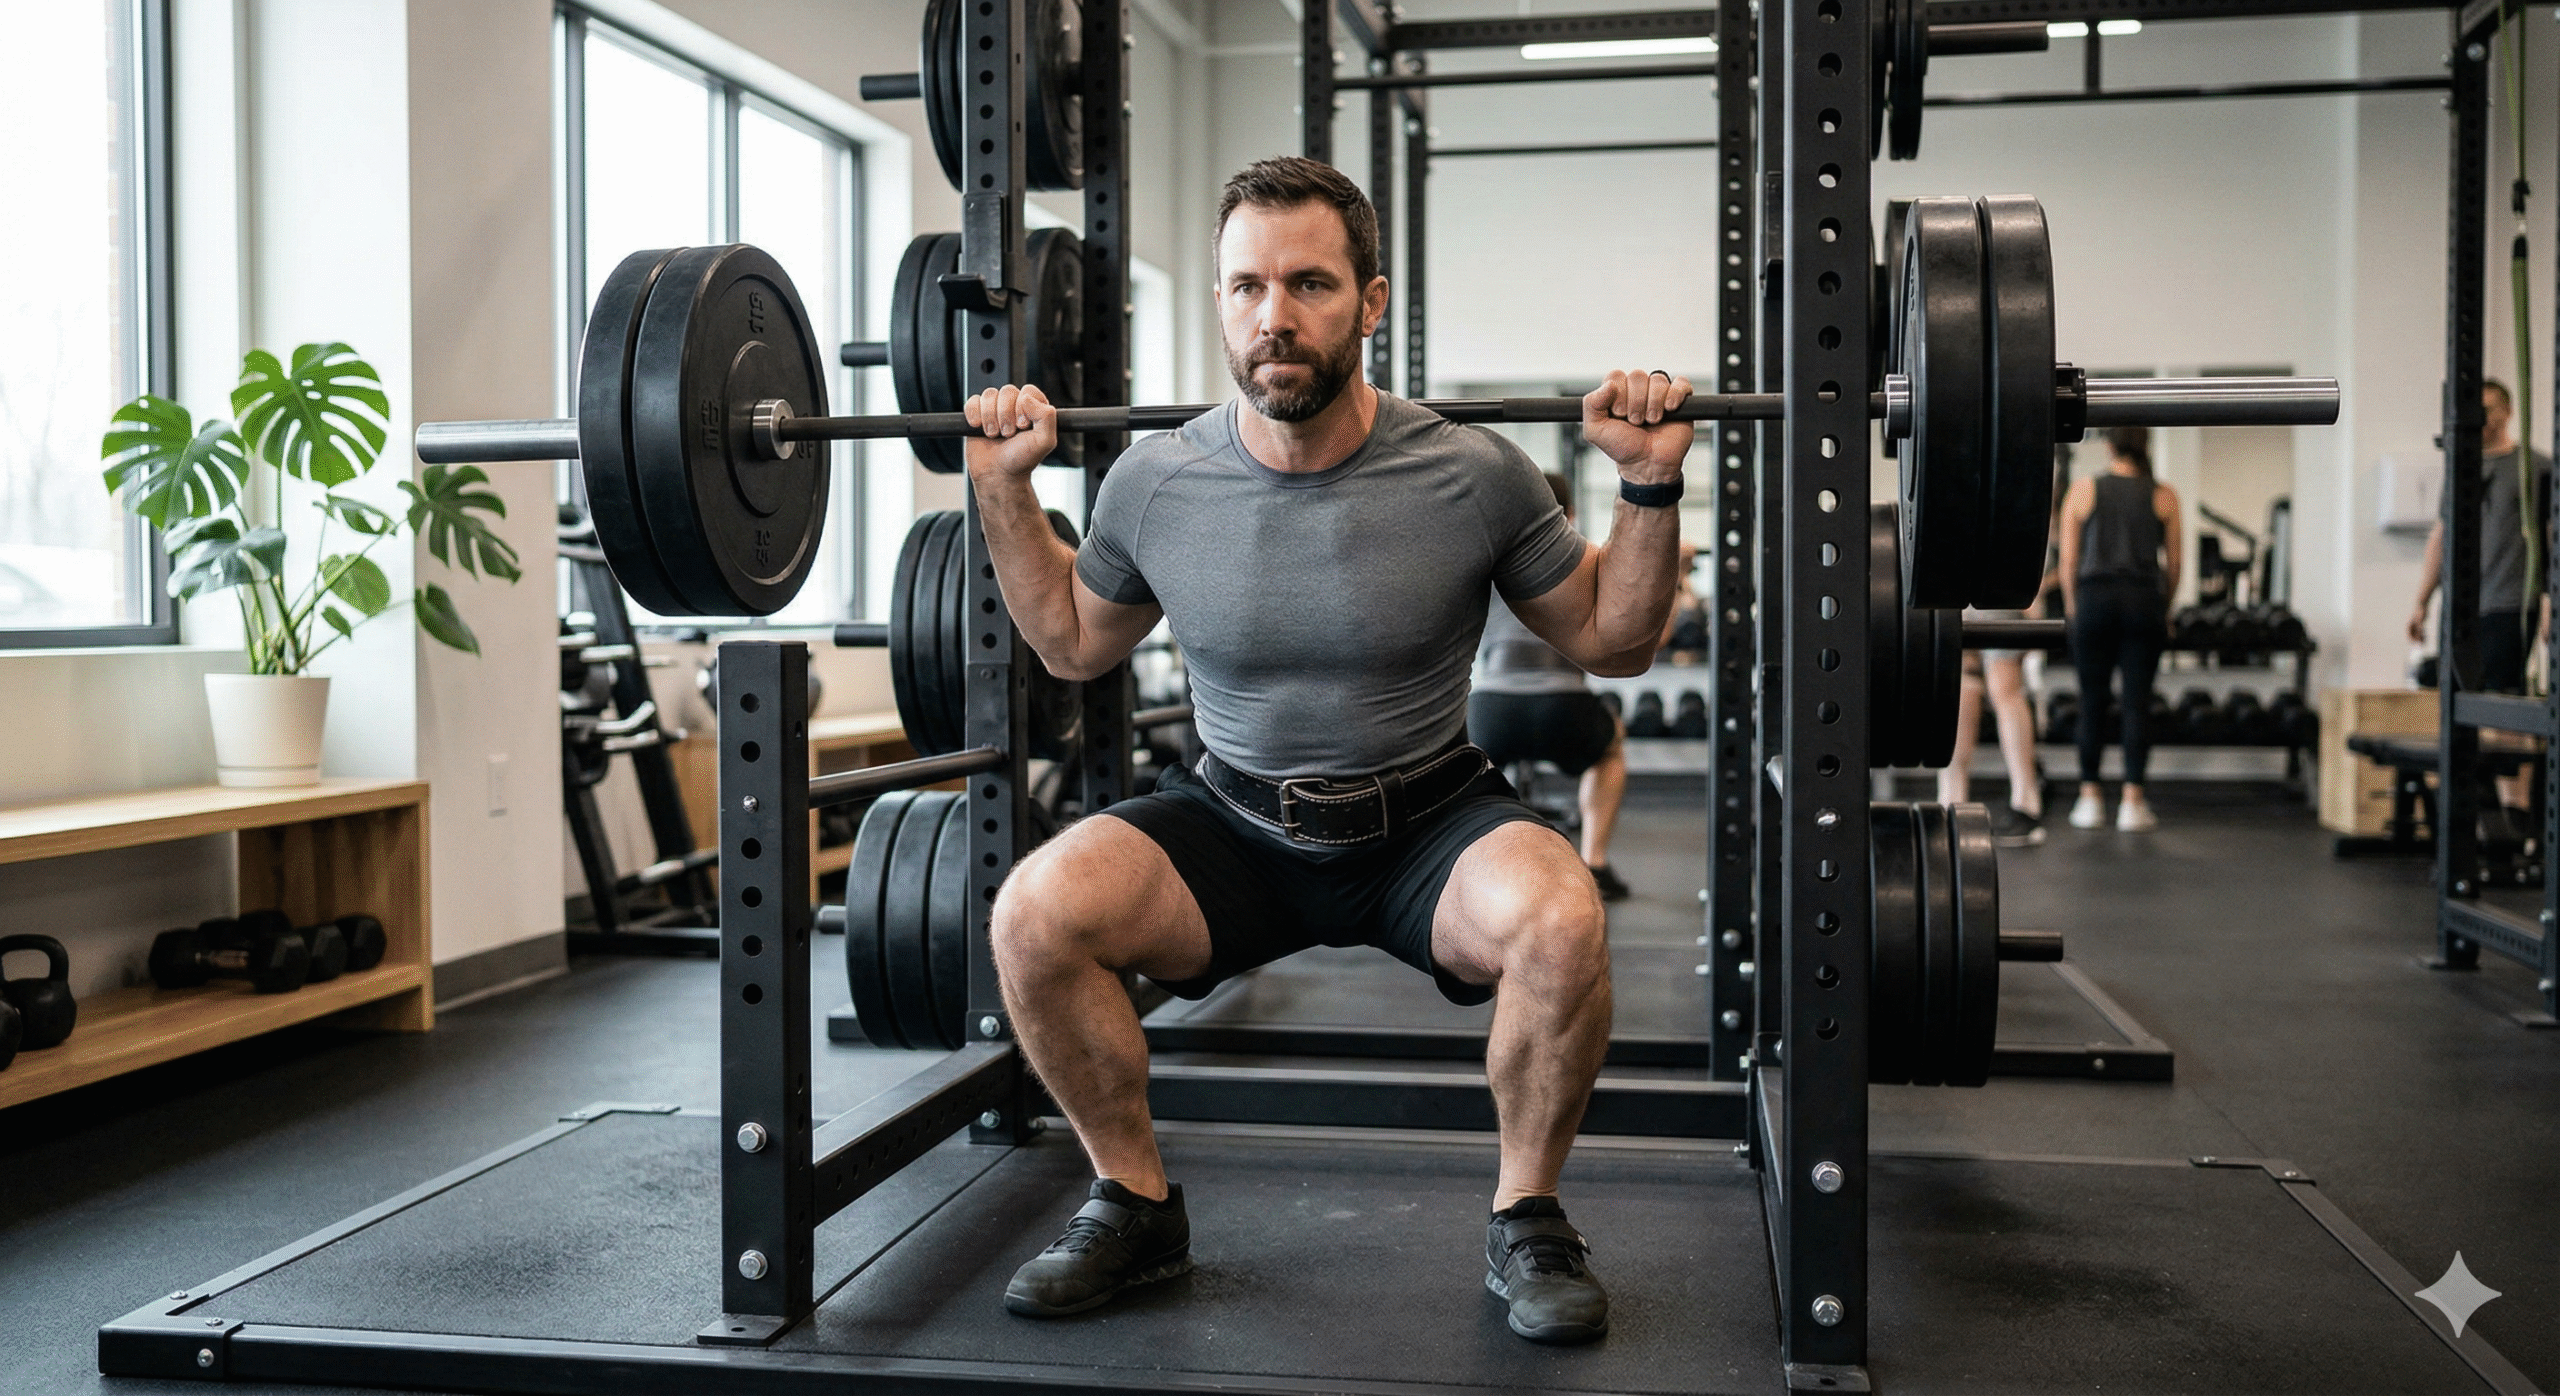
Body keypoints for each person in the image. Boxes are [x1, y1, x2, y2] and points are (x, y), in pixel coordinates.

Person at [961, 157, 1690, 1344]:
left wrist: (1648, 487)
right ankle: (1132, 1202)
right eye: (1247, 286)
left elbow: (1614, 642)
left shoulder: (1472, 473)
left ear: (1370, 300)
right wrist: (1002, 490)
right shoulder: (1154, 480)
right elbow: (1072, 643)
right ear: (1219, 300)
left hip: (1428, 821)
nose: (1275, 317)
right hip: (1232, 822)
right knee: (1034, 912)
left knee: (1561, 919)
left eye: (1308, 283)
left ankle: (1527, 1214)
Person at [1468, 473, 1685, 900]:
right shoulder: (1587, 559)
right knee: (1610, 746)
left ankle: (1479, 872)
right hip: (1563, 706)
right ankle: (1595, 863)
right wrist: (1676, 577)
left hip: (1490, 707)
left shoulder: (1484, 563)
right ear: (1568, 514)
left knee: (1469, 772)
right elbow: (1651, 640)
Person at [2407, 380, 2552, 822]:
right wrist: (2421, 601)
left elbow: (2551, 539)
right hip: (2462, 608)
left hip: (2512, 604)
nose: (2481, 419)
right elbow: (2441, 536)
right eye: (2475, 410)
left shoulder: (2535, 467)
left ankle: (2516, 811)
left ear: (2508, 412)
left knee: (2505, 704)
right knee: (2459, 702)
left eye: (2488, 409)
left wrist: (2550, 604)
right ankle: (2472, 812)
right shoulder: (2459, 467)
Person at [2058, 425, 2180, 832]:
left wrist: (2074, 610)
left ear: (2110, 445)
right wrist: (2164, 608)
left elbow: (2069, 562)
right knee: (2136, 704)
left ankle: (2089, 798)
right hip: (2142, 602)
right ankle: (2132, 802)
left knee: (2091, 700)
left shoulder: (2083, 490)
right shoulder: (2164, 495)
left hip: (2095, 600)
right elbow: (2175, 565)